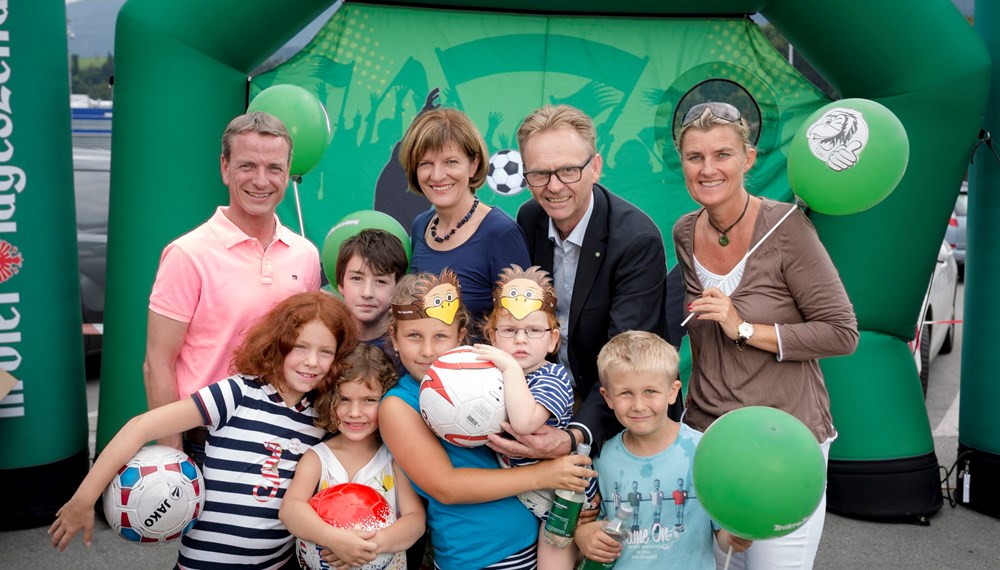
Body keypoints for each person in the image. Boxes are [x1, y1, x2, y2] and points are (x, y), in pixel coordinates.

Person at [672, 101, 859, 569]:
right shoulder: (684, 230)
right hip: (706, 437)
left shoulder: (787, 228)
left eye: (722, 154)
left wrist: (745, 328)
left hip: (783, 441)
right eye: (695, 157)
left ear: (749, 159)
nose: (708, 169)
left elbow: (841, 333)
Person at [50, 291, 358, 569]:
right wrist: (83, 499)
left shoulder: (320, 419)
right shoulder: (237, 394)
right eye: (300, 347)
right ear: (279, 344)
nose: (312, 362)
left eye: (325, 352)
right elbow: (140, 427)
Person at [378, 271, 595, 569]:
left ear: (461, 337)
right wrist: (546, 476)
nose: (427, 350)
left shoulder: (491, 372)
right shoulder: (398, 405)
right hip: (475, 554)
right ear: (394, 337)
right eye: (413, 336)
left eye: (440, 336)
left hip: (536, 541)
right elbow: (446, 487)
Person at [492, 104, 670, 462]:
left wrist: (574, 436)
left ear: (596, 168)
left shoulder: (636, 240)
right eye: (540, 174)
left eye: (568, 170)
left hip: (617, 418)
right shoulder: (529, 219)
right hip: (544, 398)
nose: (554, 187)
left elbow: (626, 361)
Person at [144, 111, 321, 463]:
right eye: (247, 166)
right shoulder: (187, 254)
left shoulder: (305, 255)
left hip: (283, 440)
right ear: (225, 168)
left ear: (287, 174)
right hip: (205, 441)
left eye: (274, 168)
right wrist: (172, 454)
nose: (261, 180)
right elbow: (157, 365)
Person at [575, 331, 750, 569]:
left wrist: (736, 537)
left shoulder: (704, 453)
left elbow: (723, 537)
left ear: (672, 391)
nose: (638, 405)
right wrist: (583, 536)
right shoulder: (602, 458)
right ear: (607, 397)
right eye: (626, 393)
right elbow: (589, 522)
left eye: (650, 391)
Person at [473, 264, 596, 568]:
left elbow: (525, 422)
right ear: (492, 336)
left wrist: (511, 368)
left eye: (533, 330)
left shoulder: (552, 377)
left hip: (565, 499)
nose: (521, 340)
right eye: (509, 330)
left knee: (552, 560)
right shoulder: (493, 375)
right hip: (531, 493)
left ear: (553, 340)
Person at [280, 344, 424, 569]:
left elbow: (415, 521)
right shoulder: (317, 458)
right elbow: (290, 510)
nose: (355, 412)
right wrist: (334, 539)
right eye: (344, 399)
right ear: (329, 399)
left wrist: (370, 546)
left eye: (369, 400)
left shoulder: (395, 458)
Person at [400, 107, 531, 333]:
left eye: (450, 162)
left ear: (474, 164)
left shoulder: (501, 234)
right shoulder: (421, 226)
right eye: (426, 163)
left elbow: (525, 329)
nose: (438, 175)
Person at [334, 228, 409, 351]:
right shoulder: (329, 340)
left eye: (381, 281)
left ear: (397, 288)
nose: (367, 293)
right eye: (357, 279)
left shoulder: (406, 348)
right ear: (341, 284)